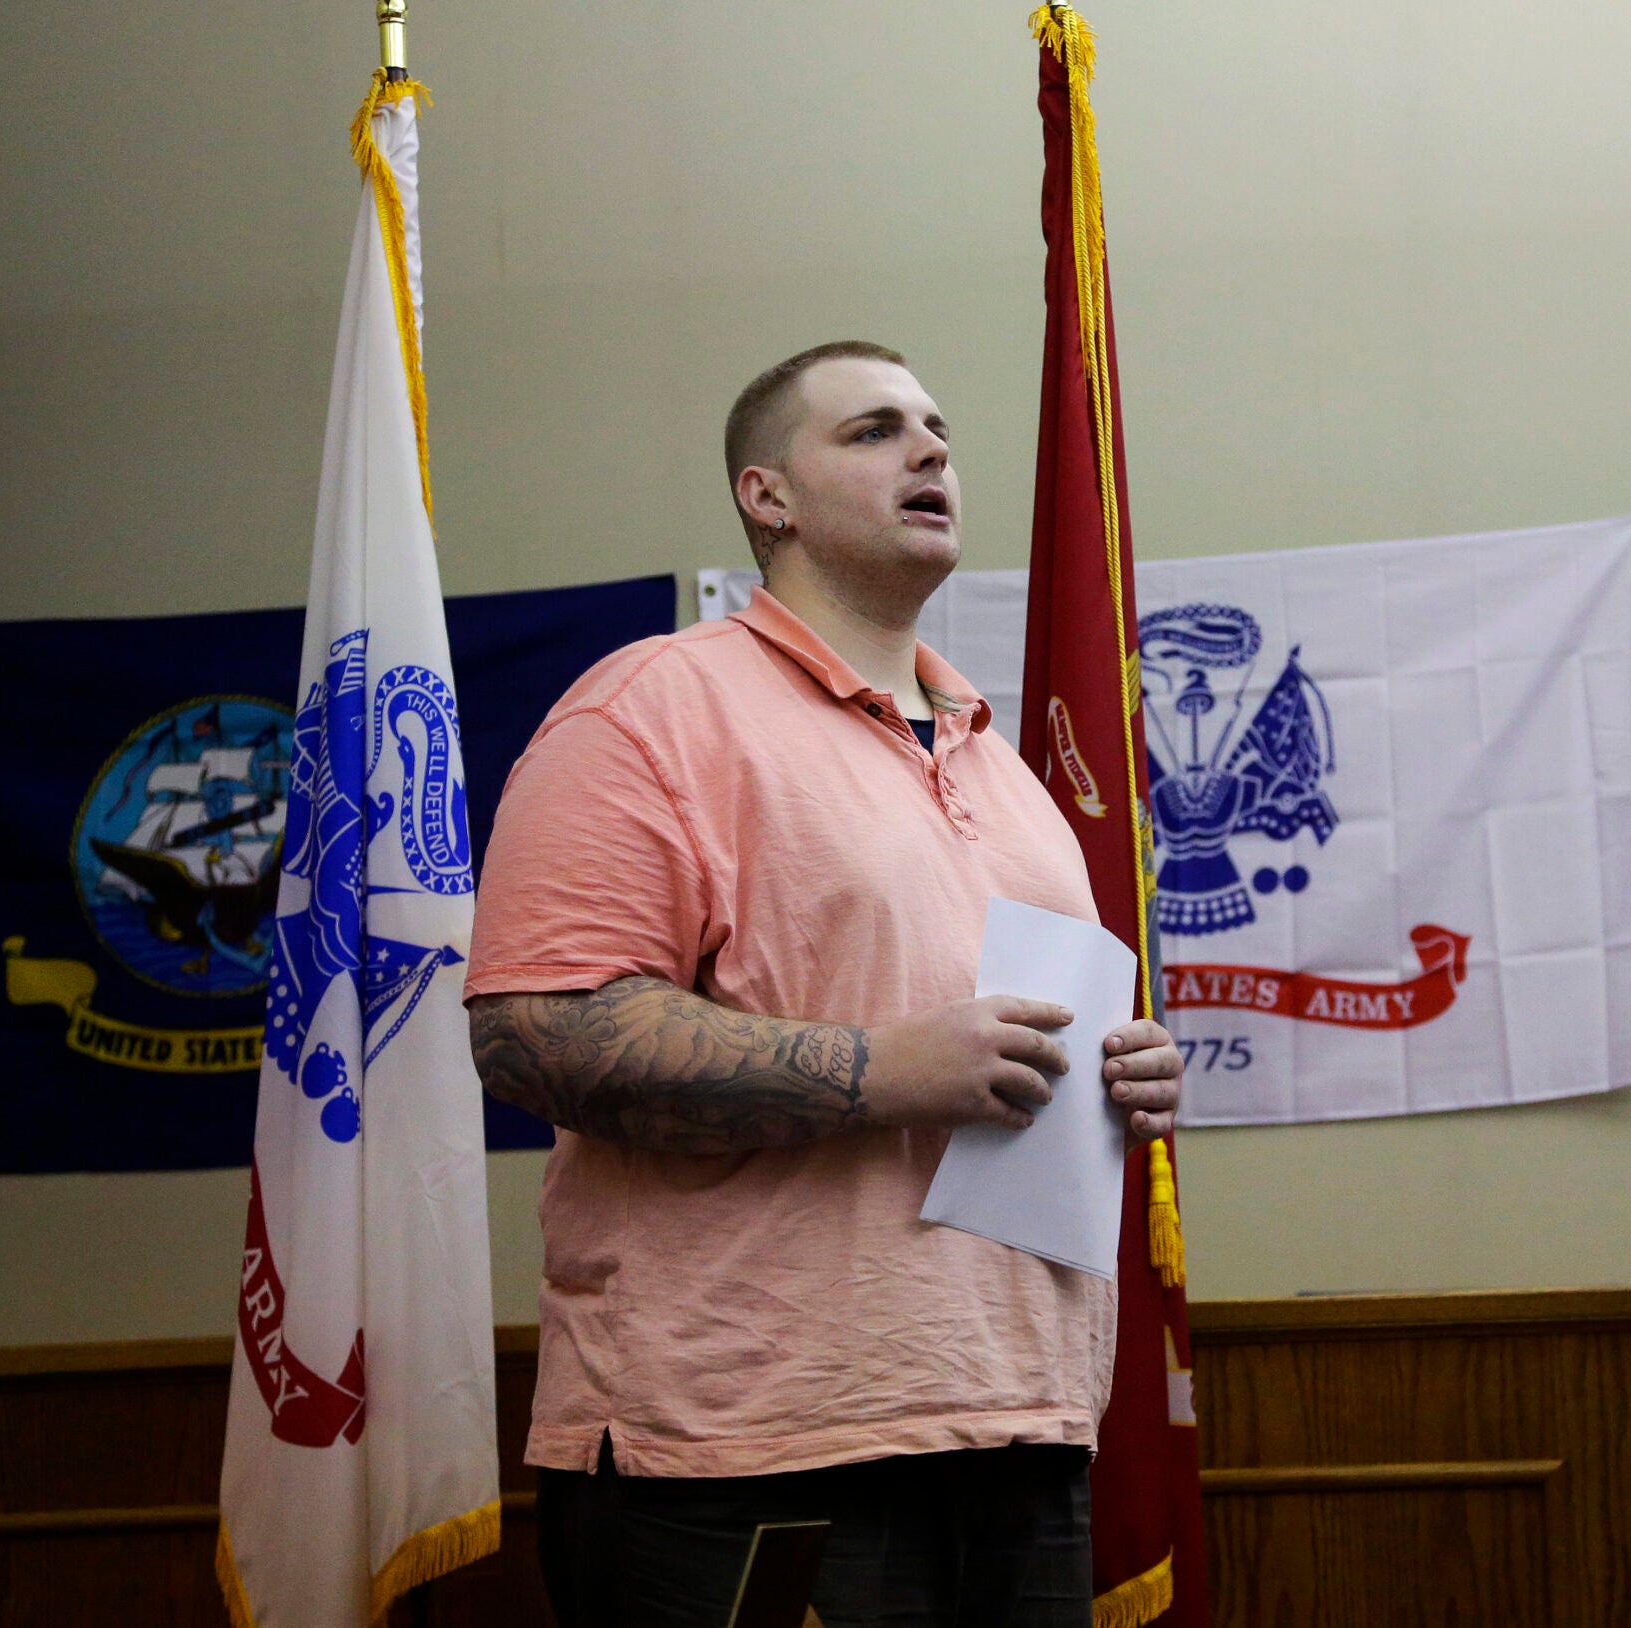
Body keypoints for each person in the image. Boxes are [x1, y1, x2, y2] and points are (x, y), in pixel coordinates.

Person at [463, 339, 1183, 1628]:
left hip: (1020, 1422)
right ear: (767, 497)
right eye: (872, 429)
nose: (931, 450)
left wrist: (1119, 1072)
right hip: (747, 1445)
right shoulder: (648, 711)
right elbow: (535, 1035)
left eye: (937, 427)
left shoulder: (1002, 765)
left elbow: (1008, 1054)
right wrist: (879, 1070)